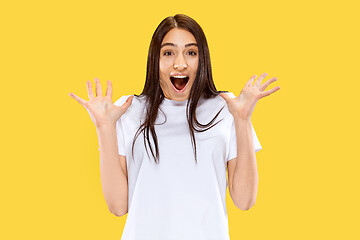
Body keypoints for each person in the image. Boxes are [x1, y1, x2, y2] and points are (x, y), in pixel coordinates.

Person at [69, 14, 280, 240]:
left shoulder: (226, 108)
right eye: (168, 53)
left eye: (191, 52)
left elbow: (245, 200)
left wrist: (243, 120)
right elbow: (118, 206)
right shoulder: (127, 110)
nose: (180, 63)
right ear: (155, 61)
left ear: (203, 60)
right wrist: (104, 127)